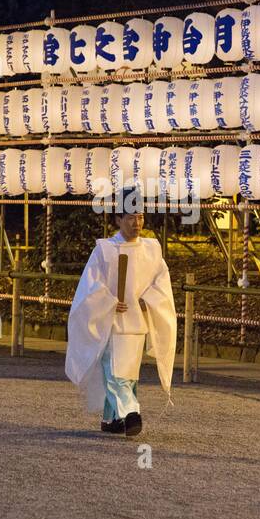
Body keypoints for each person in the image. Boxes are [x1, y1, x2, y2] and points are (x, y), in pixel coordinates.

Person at [65, 186, 176, 437]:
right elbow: (90, 287)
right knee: (117, 374)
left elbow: (161, 282)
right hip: (112, 323)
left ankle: (111, 419)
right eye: (130, 218)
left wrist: (150, 300)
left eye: (140, 217)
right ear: (118, 219)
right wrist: (109, 301)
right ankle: (131, 413)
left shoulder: (152, 249)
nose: (137, 223)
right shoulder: (105, 250)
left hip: (137, 323)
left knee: (128, 375)